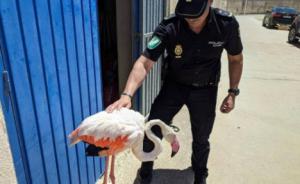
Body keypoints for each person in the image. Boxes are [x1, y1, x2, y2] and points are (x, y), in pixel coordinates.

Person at [106, 0, 243, 183]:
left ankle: (200, 173)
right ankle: (146, 170)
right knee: (152, 128)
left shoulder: (226, 24)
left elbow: (235, 59)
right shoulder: (170, 25)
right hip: (174, 86)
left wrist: (232, 92)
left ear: (210, 2)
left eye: (195, 15)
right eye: (186, 15)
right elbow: (144, 62)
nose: (190, 20)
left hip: (206, 89)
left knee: (202, 137)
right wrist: (127, 94)